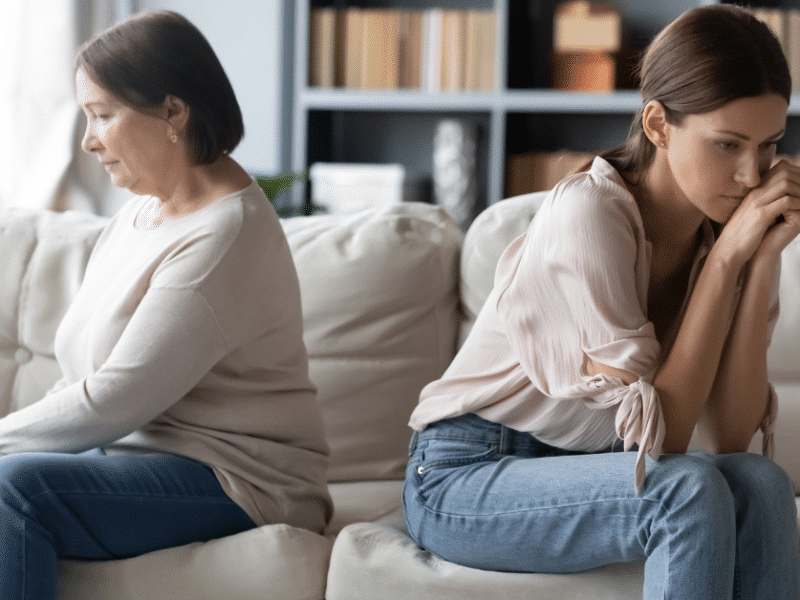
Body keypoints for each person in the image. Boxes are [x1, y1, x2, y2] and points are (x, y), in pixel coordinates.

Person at [403, 5, 800, 599]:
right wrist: (725, 264)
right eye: (727, 145)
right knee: (683, 490)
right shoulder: (591, 213)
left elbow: (728, 434)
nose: (752, 175)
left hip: (587, 469)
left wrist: (761, 260)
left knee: (762, 482)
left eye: (769, 146)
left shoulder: (730, 234)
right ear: (658, 125)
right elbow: (661, 445)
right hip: (468, 472)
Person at [0, 10, 331, 599]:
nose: (88, 140)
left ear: (173, 112)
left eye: (103, 115)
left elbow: (115, 399)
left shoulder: (223, 235)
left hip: (235, 480)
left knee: (15, 487)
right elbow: (82, 380)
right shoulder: (141, 210)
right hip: (134, 459)